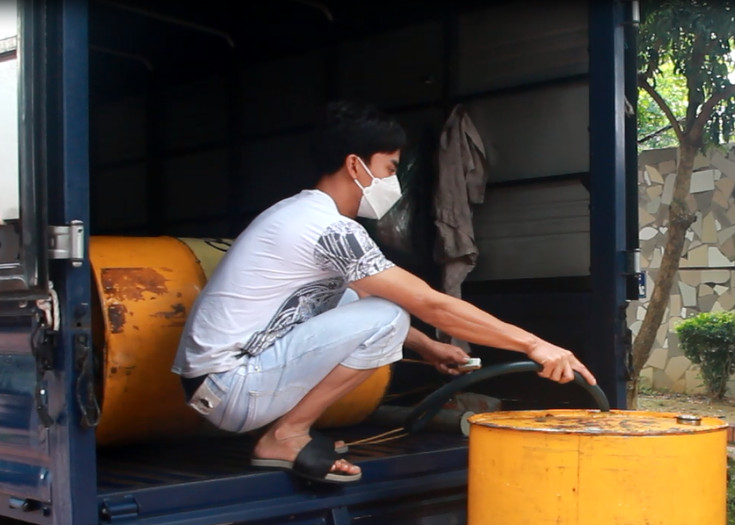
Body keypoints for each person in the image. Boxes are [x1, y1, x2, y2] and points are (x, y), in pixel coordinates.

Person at [172, 101, 596, 486]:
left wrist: (428, 346)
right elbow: (429, 302)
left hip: (215, 383)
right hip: (231, 387)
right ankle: (286, 435)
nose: (395, 180)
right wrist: (535, 344)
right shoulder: (329, 229)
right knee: (389, 315)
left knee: (356, 299)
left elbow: (353, 304)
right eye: (391, 168)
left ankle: (287, 430)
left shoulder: (300, 213)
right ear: (356, 166)